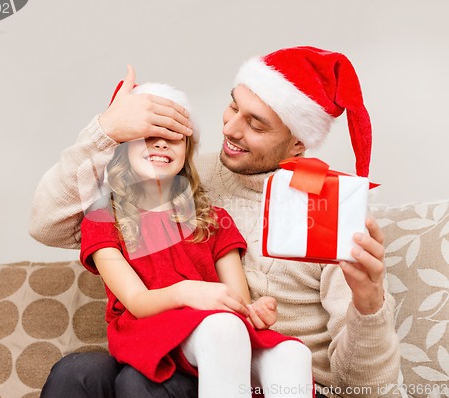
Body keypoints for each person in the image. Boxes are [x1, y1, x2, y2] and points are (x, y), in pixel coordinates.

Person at [32, 46, 400, 398]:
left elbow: (369, 389)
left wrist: (368, 306)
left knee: (142, 383)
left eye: (255, 124)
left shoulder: (329, 211)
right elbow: (47, 225)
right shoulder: (180, 177)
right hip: (174, 343)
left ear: (297, 144)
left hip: (263, 370)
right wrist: (106, 130)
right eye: (233, 106)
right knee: (76, 373)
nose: (230, 129)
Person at [77, 81, 314, 398]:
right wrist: (188, 292)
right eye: (149, 136)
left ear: (186, 150)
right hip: (150, 328)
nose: (162, 144)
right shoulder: (103, 220)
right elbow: (137, 302)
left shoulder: (214, 218)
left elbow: (236, 300)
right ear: (122, 150)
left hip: (217, 329)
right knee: (223, 328)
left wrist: (253, 311)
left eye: (174, 138)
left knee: (292, 353)